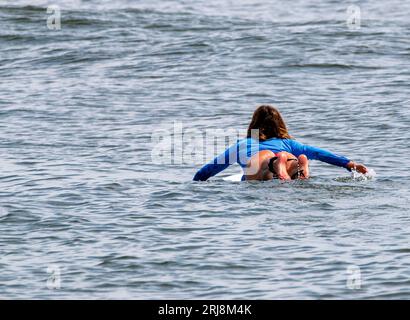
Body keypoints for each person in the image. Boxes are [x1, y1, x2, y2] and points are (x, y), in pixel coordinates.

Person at [193, 105, 368, 181]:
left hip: (260, 161)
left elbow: (209, 170)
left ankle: (276, 164)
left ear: (253, 125)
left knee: (261, 172)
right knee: (294, 169)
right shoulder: (289, 144)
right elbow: (320, 153)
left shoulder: (243, 144)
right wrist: (349, 164)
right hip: (292, 158)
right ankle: (297, 167)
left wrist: (197, 181)